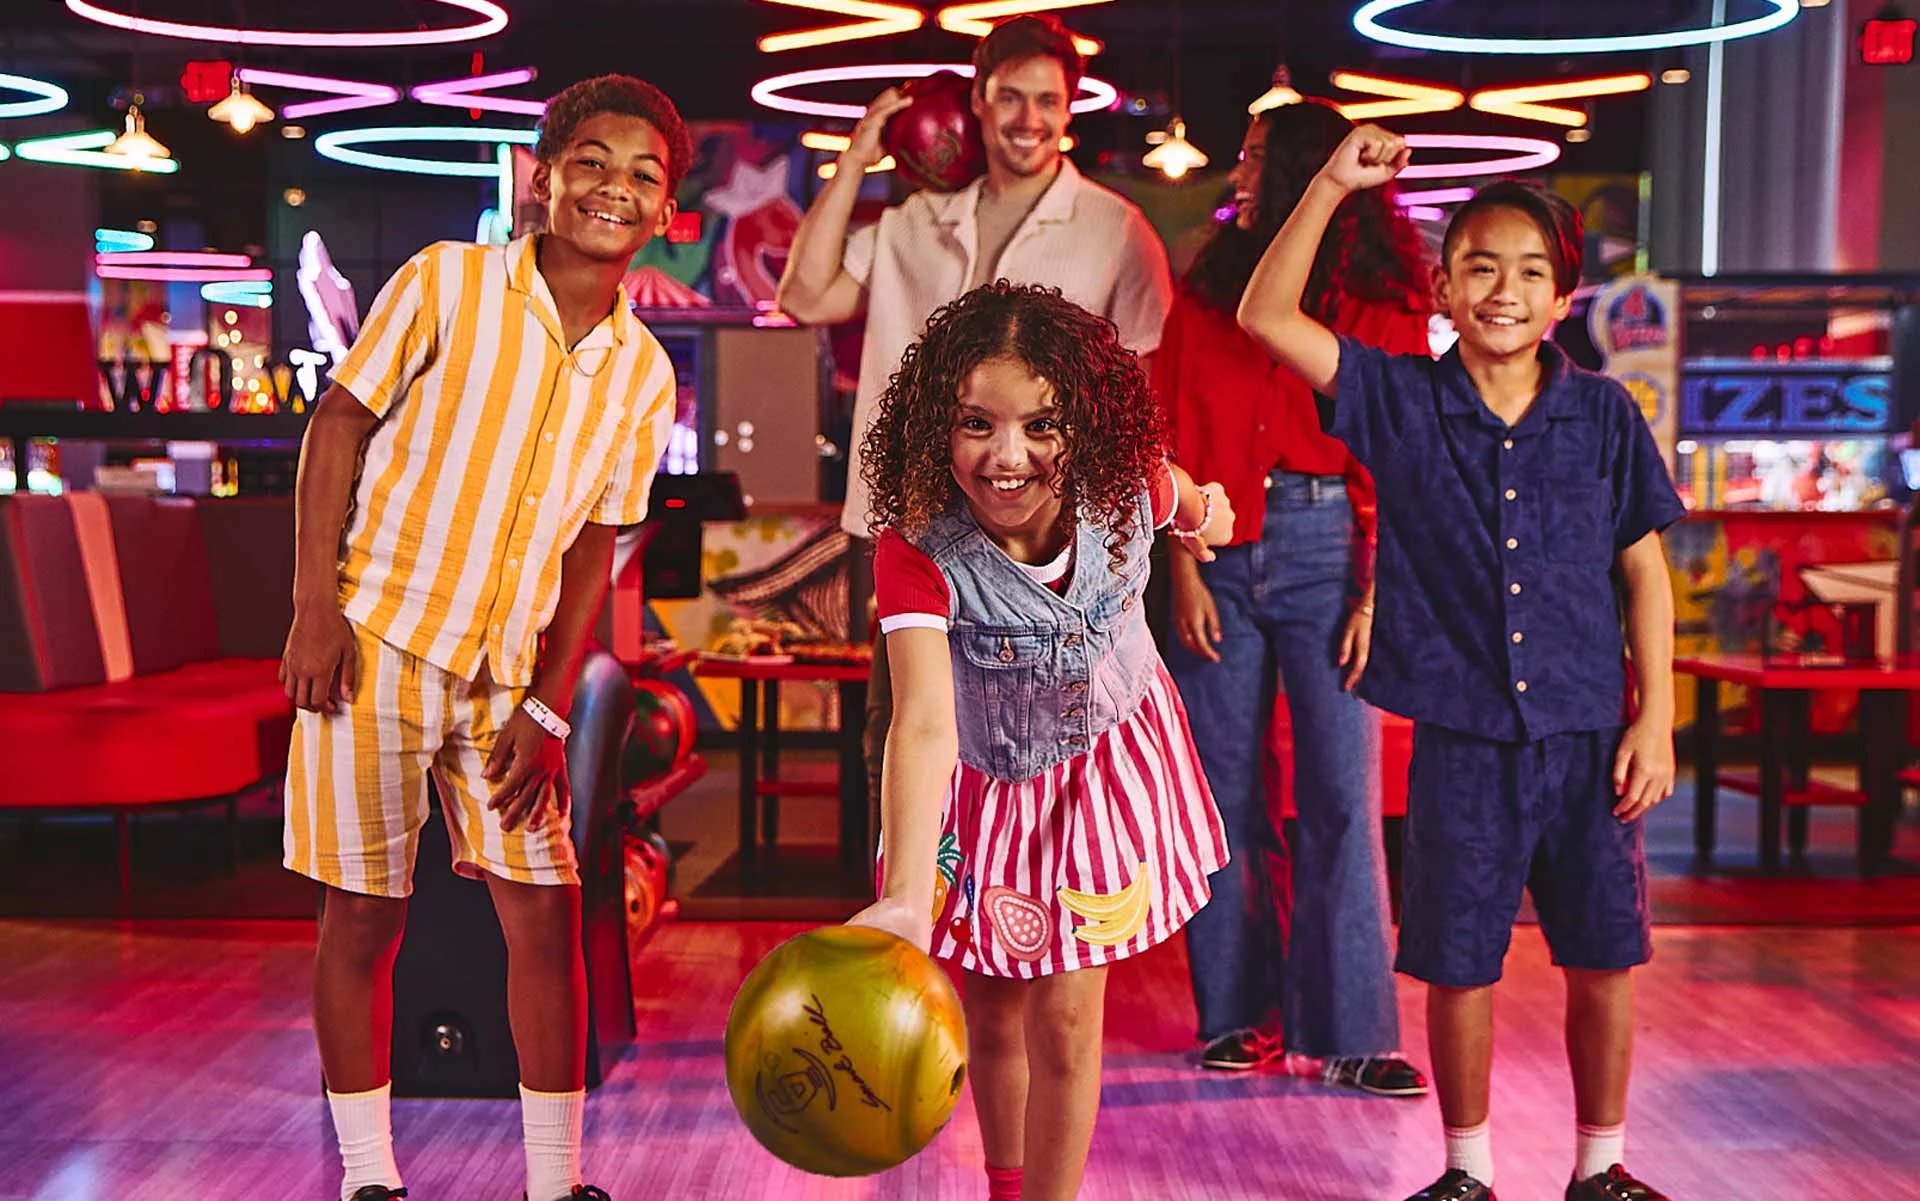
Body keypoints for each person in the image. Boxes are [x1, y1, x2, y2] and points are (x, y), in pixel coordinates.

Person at [1238, 127, 1683, 1201]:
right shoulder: (1398, 400)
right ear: (1442, 283)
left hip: (1589, 734)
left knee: (1603, 957)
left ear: (1565, 298)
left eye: (1532, 270)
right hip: (1461, 735)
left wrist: (1656, 715)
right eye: (1480, 264)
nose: (1504, 288)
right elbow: (1265, 316)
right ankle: (1465, 1172)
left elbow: (1647, 574)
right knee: (1457, 959)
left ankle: (1601, 1167)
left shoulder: (1606, 416)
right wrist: (1337, 184)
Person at [278, 75, 692, 1201]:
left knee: (545, 915)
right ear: (542, 176)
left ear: (666, 214)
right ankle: (371, 1181)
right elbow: (338, 424)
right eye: (594, 162)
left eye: (644, 176)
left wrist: (551, 707)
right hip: (373, 643)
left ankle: (555, 1189)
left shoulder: (644, 376)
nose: (616, 187)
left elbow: (595, 550)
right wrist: (316, 606)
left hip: (504, 684)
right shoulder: (446, 285)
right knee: (364, 913)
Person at [849, 282, 1233, 1201]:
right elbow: (924, 720)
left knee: (1065, 1013)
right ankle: (1006, 1185)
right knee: (993, 1002)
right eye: (976, 424)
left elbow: (1186, 498)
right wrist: (906, 897)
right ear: (936, 428)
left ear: (1086, 427)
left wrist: (1205, 514)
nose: (1006, 457)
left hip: (1106, 762)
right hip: (985, 778)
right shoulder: (917, 550)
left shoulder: (1125, 485)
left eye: (1040, 426)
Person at [774, 12, 1174, 841]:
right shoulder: (915, 222)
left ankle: (1018, 927)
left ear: (1070, 110)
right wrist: (856, 159)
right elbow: (804, 297)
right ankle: (904, 924)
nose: (1028, 118)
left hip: (1045, 530)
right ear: (979, 105)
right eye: (1008, 98)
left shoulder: (1115, 229)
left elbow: (1143, 391)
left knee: (1038, 738)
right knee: (896, 724)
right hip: (908, 515)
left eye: (1047, 100)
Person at [1155, 99, 1430, 1095]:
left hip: (1332, 544)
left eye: (1256, 153)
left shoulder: (1383, 295)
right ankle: (1236, 1018)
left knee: (1343, 798)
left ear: (1304, 167)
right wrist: (1180, 562)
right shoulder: (1211, 281)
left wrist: (1376, 589)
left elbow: (1404, 451)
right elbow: (1164, 419)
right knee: (1221, 799)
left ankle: (1356, 1032)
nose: (1238, 167)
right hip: (1214, 544)